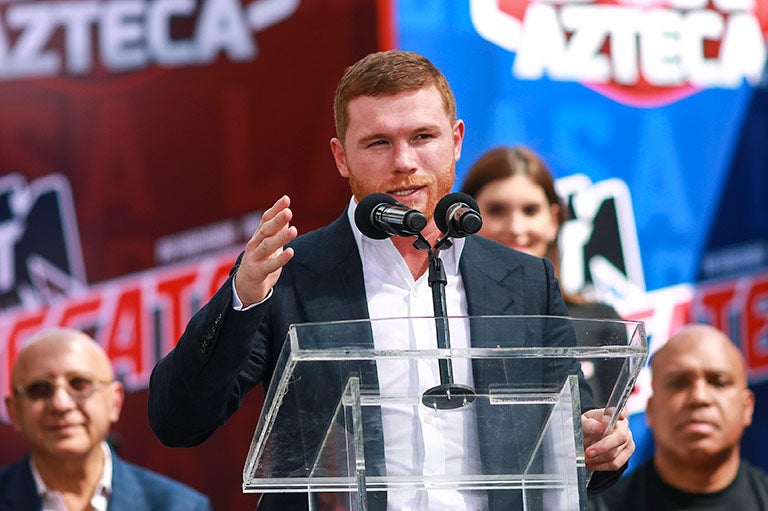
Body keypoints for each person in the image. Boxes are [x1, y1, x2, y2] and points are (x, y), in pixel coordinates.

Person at [147, 49, 634, 510]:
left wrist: (601, 446)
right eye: (378, 142)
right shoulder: (289, 274)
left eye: (423, 137)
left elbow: (575, 438)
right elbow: (179, 421)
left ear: (457, 140)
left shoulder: (525, 278)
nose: (404, 161)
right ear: (341, 157)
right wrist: (242, 299)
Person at [460, 145, 626, 401]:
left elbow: (605, 427)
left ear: (554, 220)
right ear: (464, 218)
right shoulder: (447, 319)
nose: (516, 227)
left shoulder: (602, 323)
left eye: (530, 210)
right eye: (496, 210)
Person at [1, 327, 212, 511]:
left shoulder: (180, 506)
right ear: (13, 411)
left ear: (115, 401)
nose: (60, 404)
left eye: (79, 384)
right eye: (39, 389)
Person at [589, 323, 768, 510]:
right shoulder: (601, 507)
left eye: (718, 382)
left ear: (747, 407)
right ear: (651, 410)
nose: (699, 397)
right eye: (679, 383)